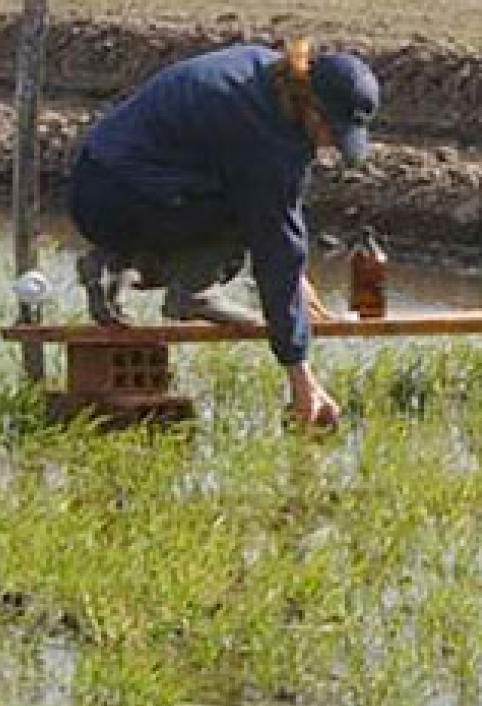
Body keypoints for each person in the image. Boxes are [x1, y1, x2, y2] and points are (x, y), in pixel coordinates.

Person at [69, 39, 378, 427]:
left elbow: (279, 223)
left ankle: (117, 263)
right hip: (123, 195)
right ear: (309, 105)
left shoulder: (263, 73)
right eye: (332, 131)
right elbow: (274, 239)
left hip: (101, 185)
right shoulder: (260, 130)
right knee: (246, 214)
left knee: (252, 212)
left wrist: (296, 278)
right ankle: (191, 295)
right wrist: (302, 377)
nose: (330, 144)